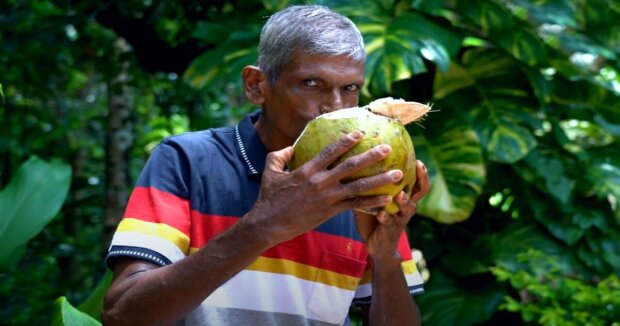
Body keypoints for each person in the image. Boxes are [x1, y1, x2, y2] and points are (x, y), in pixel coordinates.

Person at [103, 4, 430, 326]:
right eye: (311, 84)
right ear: (257, 85)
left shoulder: (361, 180)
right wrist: (264, 225)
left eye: (350, 89)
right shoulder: (187, 161)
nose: (334, 107)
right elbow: (122, 316)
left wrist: (385, 256)